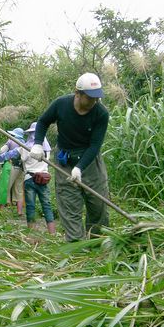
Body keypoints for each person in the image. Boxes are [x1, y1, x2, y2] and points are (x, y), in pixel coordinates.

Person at [30, 73, 109, 241]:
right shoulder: (61, 104)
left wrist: (80, 167)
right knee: (69, 203)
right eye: (90, 98)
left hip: (90, 161)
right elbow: (43, 121)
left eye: (97, 98)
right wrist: (37, 143)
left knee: (98, 204)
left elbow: (95, 145)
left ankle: (95, 241)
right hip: (65, 159)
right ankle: (76, 245)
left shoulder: (101, 113)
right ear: (78, 93)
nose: (94, 101)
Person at [0, 122, 56, 234]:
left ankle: (31, 230)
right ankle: (52, 233)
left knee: (31, 205)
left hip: (30, 179)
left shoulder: (26, 148)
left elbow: (8, 155)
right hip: (44, 179)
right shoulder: (47, 149)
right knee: (46, 205)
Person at [0, 127, 25, 214]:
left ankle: (1, 210)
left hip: (10, 165)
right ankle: (19, 211)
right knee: (19, 190)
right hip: (21, 168)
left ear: (13, 135)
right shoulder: (24, 143)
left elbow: (2, 150)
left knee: (5, 186)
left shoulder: (10, 141)